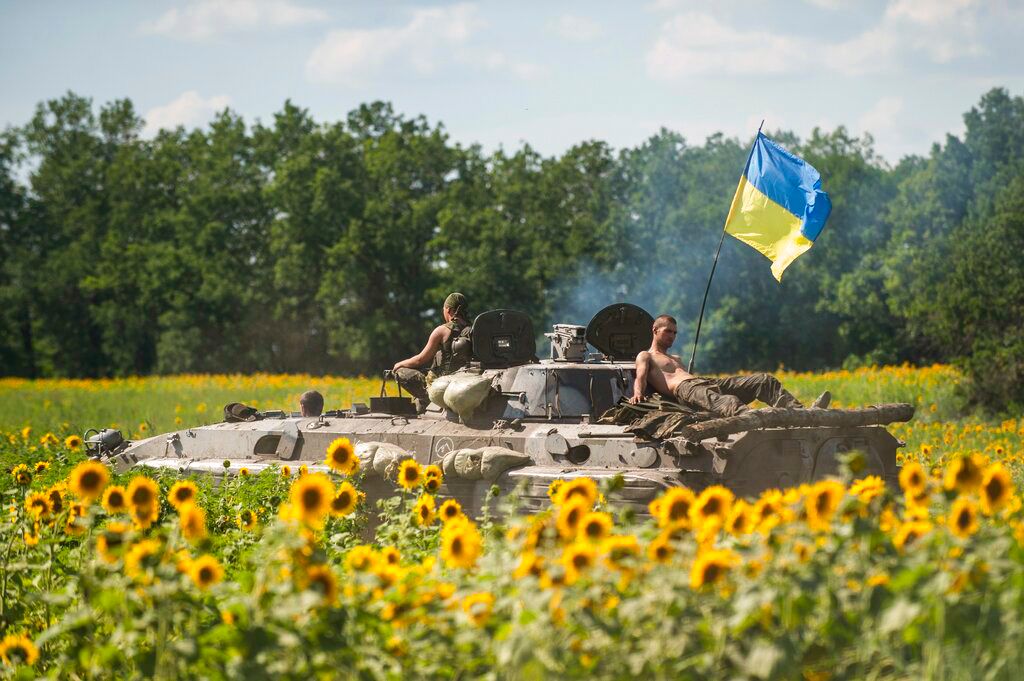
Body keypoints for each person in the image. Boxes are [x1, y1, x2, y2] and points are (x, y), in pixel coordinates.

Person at [630, 314, 829, 417]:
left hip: (703, 383)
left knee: (763, 380)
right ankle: (754, 418)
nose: (672, 336)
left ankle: (803, 413)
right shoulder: (646, 355)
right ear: (655, 330)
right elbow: (640, 376)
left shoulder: (677, 358)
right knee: (729, 402)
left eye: (675, 333)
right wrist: (637, 393)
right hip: (685, 390)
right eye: (668, 331)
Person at [392, 292, 472, 413]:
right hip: (463, 383)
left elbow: (420, 359)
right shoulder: (472, 330)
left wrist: (399, 364)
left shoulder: (442, 331)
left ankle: (427, 399)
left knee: (400, 372)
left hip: (439, 384)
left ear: (448, 310)